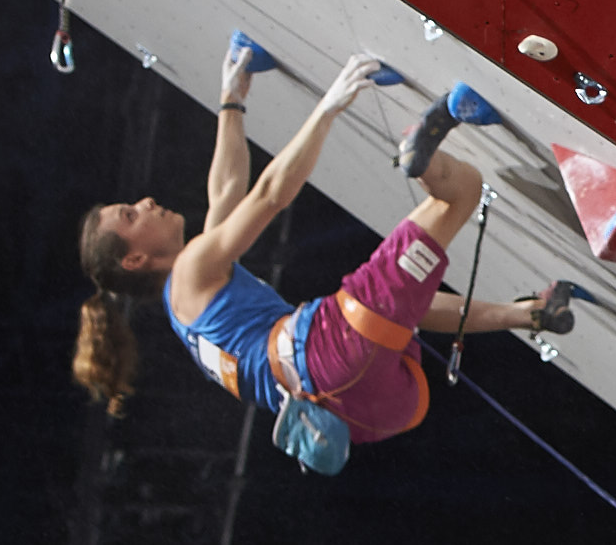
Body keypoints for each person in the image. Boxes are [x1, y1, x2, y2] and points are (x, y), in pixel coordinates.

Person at [72, 52, 575, 471]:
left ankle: (528, 314)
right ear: (136, 257)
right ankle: (423, 151)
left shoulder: (191, 304)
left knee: (399, 309)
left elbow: (226, 190)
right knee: (459, 193)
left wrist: (232, 99)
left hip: (372, 412)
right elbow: (267, 194)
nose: (144, 203)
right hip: (329, 355)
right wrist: (328, 106)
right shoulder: (191, 270)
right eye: (130, 214)